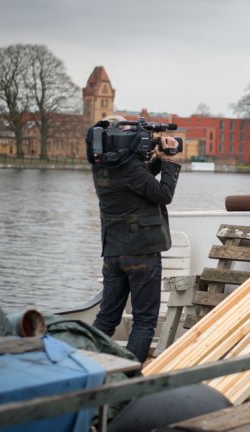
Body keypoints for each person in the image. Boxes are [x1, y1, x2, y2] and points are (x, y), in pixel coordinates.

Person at [86, 116, 181, 363]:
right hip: (141, 253)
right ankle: (127, 377)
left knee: (107, 317)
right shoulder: (129, 168)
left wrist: (158, 161)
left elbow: (140, 182)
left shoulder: (102, 165)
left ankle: (86, 364)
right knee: (144, 321)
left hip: (113, 253)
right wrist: (169, 161)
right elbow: (162, 194)